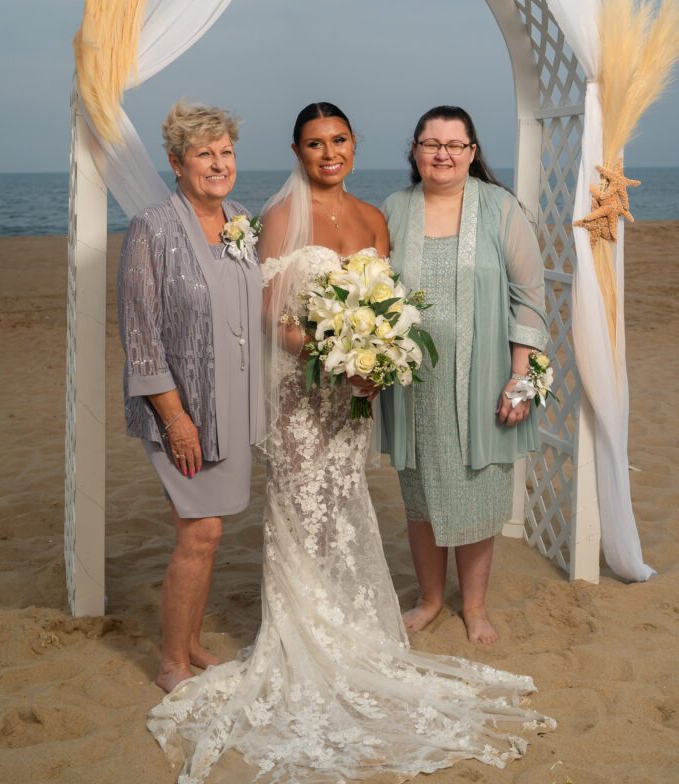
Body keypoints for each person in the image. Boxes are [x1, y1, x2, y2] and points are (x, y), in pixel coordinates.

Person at [147, 102, 553, 783]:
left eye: (338, 140)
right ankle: (302, 632)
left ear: (355, 145)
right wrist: (339, 351)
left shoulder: (374, 219)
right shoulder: (281, 217)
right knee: (304, 516)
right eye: (313, 143)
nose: (327, 152)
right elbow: (273, 316)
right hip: (301, 399)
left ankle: (356, 628)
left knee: (347, 510)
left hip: (355, 400)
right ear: (298, 150)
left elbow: (390, 306)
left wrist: (377, 363)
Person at [381, 105, 549, 645]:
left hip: (485, 383)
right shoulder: (393, 210)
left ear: (473, 153)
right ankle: (431, 599)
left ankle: (474, 606)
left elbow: (530, 298)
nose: (443, 154)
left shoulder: (500, 208)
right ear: (415, 150)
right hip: (414, 388)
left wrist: (520, 380)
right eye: (432, 143)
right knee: (422, 496)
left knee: (477, 497)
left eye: (456, 145)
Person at [117, 100, 262, 693]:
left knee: (212, 532)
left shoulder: (242, 220)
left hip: (233, 405)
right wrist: (176, 420)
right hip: (181, 409)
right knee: (198, 533)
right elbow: (140, 334)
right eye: (204, 153)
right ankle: (172, 662)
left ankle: (193, 642)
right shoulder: (152, 227)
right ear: (176, 163)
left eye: (225, 151)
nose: (218, 163)